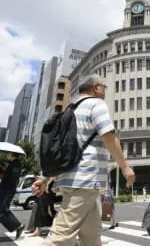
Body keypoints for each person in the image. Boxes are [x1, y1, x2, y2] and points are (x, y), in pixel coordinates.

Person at [32, 74, 135, 246]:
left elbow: (62, 151)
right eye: (103, 86)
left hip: (74, 181)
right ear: (96, 87)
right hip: (85, 180)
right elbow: (109, 135)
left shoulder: (70, 110)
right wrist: (125, 167)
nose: (105, 90)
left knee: (92, 238)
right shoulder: (96, 104)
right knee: (59, 237)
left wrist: (45, 178)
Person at [0, 152, 25, 242]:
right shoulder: (12, 164)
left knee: (2, 211)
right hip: (4, 189)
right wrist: (2, 170)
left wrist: (3, 173)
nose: (7, 155)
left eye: (8, 154)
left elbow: (11, 178)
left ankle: (18, 226)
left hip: (8, 190)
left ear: (12, 155)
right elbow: (8, 175)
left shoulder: (16, 164)